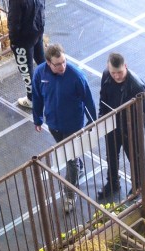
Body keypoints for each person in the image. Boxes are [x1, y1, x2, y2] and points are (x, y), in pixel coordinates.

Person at [32, 43, 97, 205]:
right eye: (57, 64)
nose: (62, 66)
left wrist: (92, 121)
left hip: (73, 126)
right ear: (48, 63)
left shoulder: (76, 76)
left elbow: (88, 99)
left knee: (70, 160)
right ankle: (79, 165)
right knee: (69, 154)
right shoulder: (40, 73)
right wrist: (38, 118)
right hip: (53, 124)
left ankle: (69, 194)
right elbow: (37, 96)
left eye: (64, 62)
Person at [97, 52, 145, 200]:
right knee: (111, 156)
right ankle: (113, 183)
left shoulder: (137, 85)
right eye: (113, 73)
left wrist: (133, 131)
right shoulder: (106, 75)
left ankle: (138, 185)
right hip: (112, 125)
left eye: (120, 72)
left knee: (134, 158)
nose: (117, 76)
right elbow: (103, 98)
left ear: (125, 66)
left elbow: (144, 114)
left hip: (130, 129)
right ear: (108, 69)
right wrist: (102, 117)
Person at [8, 0, 45, 109]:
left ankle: (32, 99)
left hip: (23, 37)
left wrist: (13, 40)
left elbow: (14, 20)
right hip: (37, 29)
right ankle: (53, 87)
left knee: (27, 70)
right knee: (42, 61)